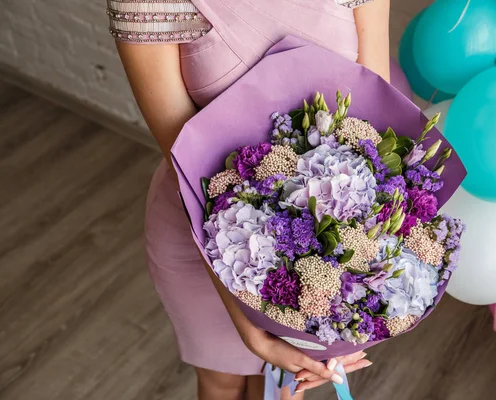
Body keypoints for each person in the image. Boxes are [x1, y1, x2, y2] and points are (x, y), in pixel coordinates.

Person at [109, 1, 390, 398]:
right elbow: (188, 170)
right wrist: (250, 328)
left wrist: (349, 269)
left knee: (282, 390)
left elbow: (375, 120)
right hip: (201, 231)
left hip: (329, 227)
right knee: (221, 381)